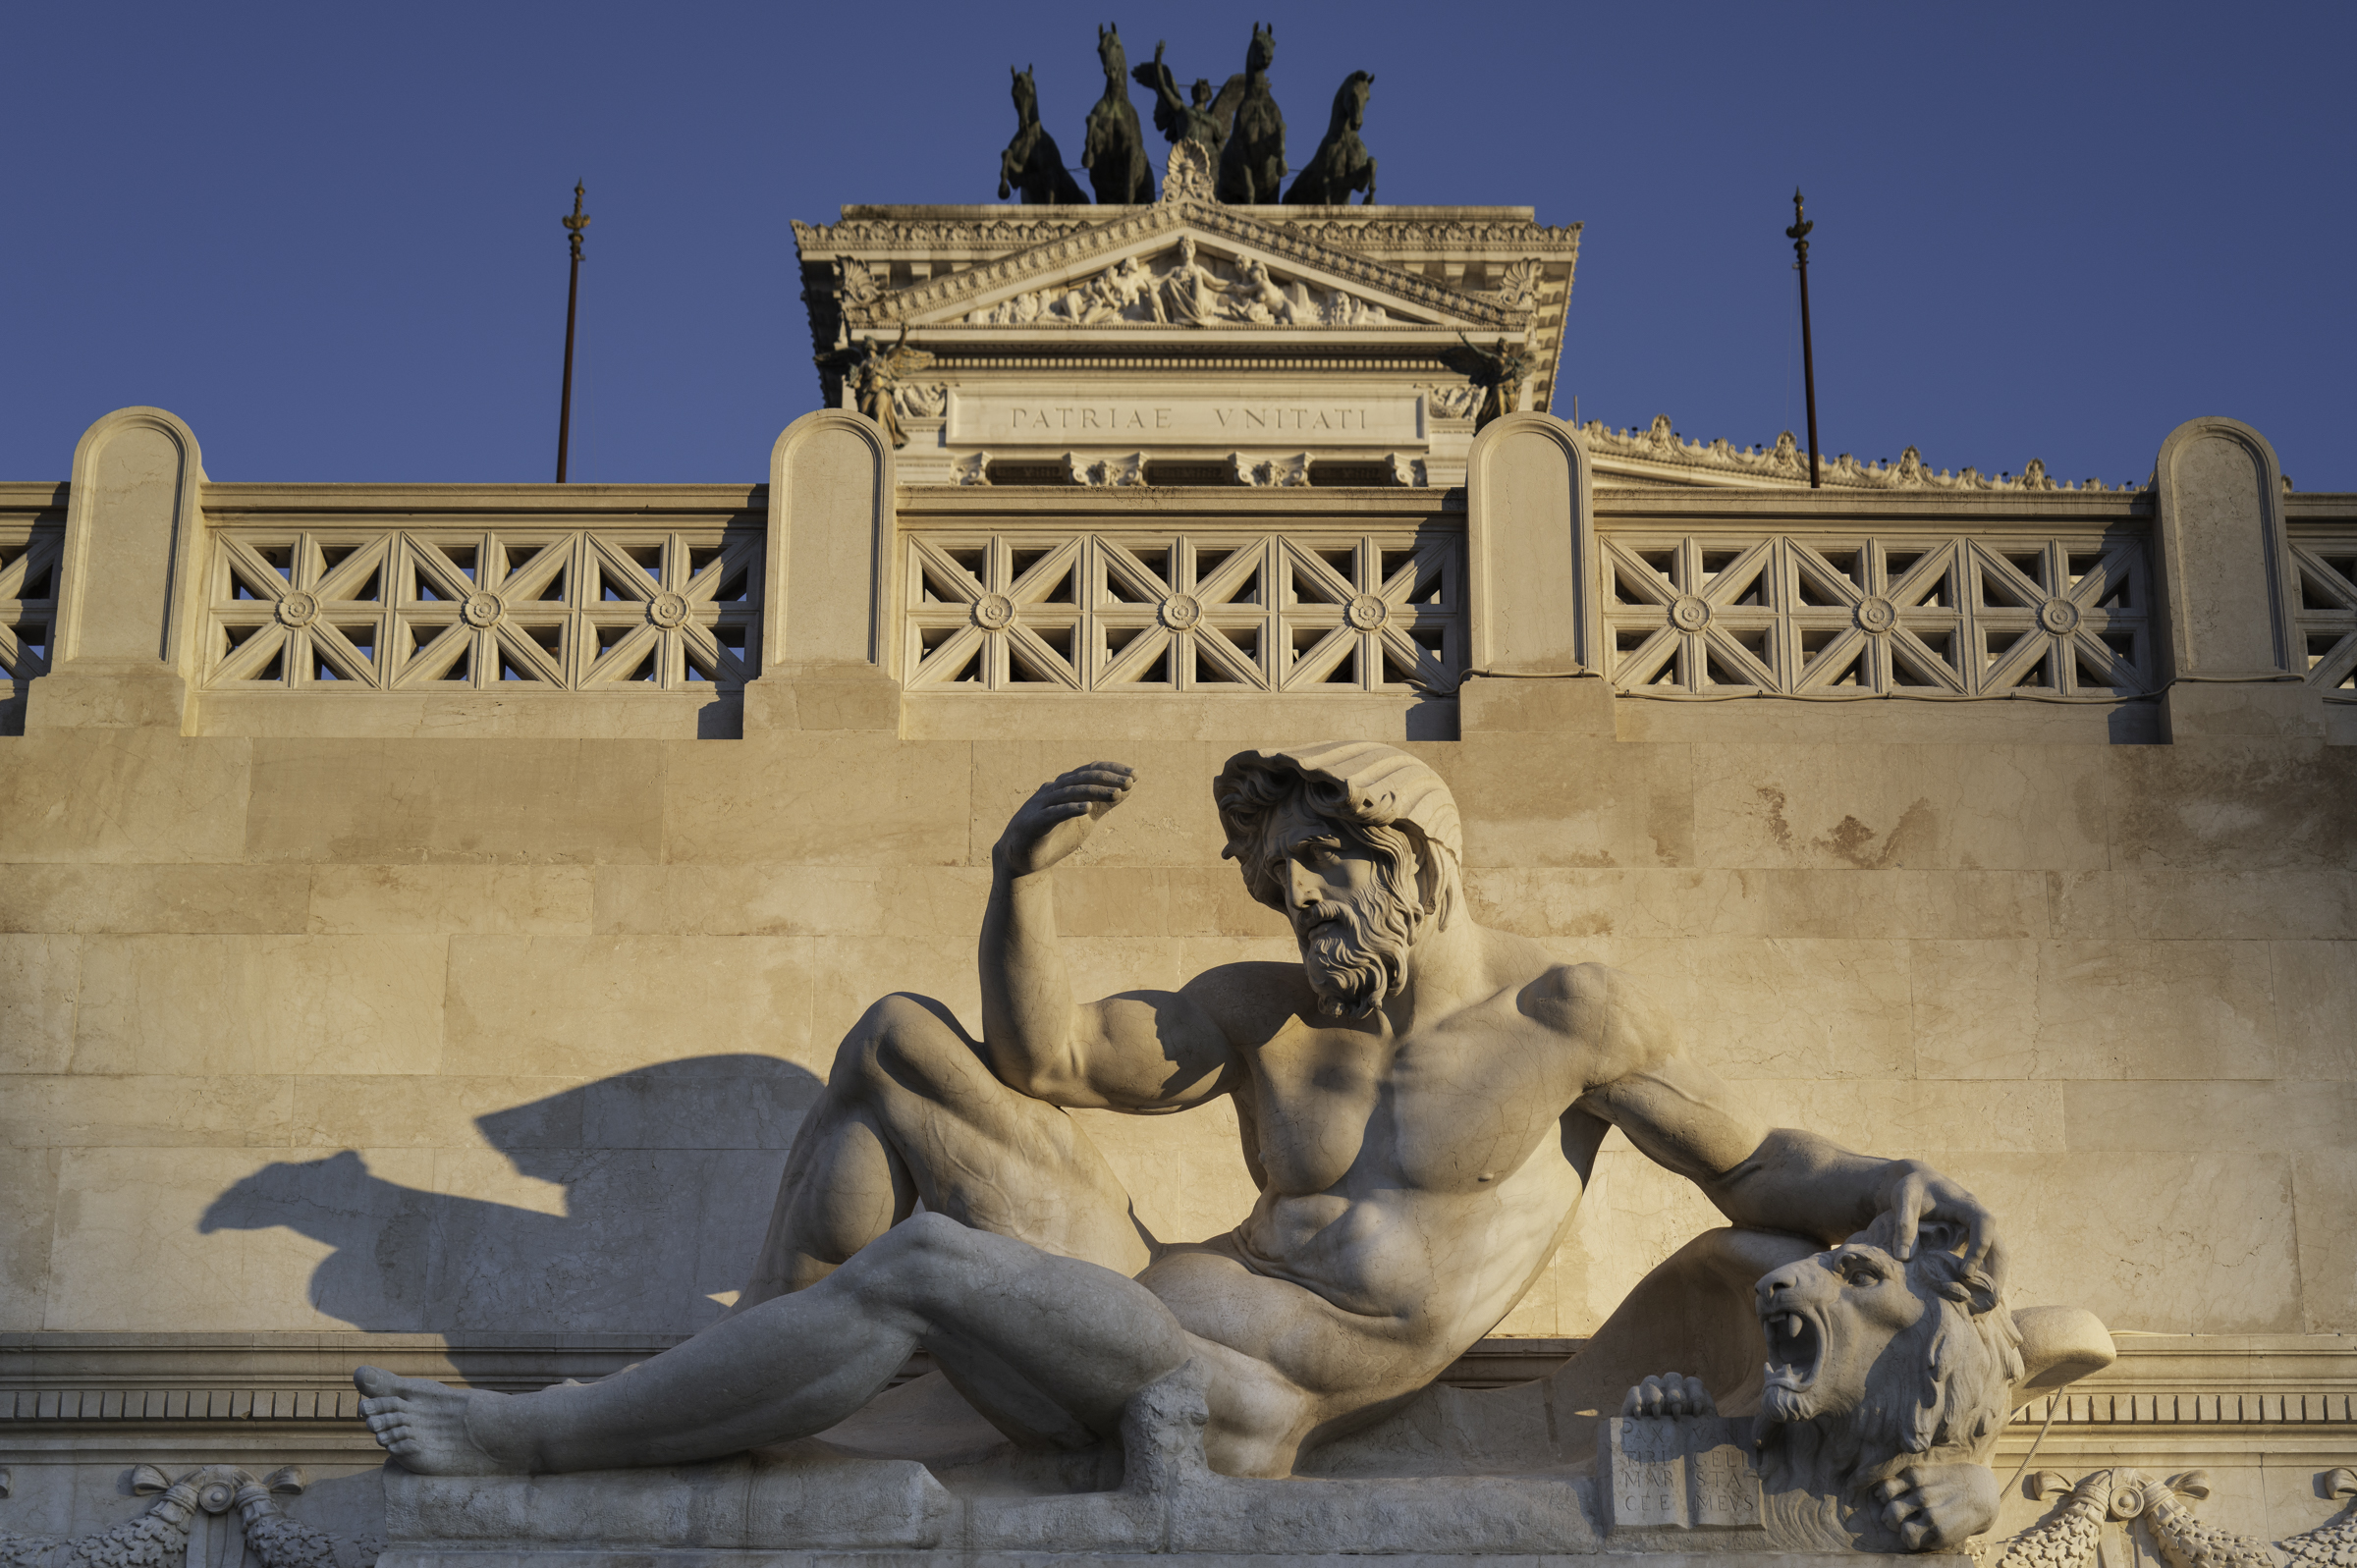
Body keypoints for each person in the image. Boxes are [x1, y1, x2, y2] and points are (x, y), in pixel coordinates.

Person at [358, 743, 2000, 1511]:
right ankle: (752, 1396)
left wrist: (1887, 1181)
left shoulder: (1570, 1018)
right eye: (1277, 887)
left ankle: (549, 1439)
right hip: (1137, 1292)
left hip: (1239, 1397)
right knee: (899, 1042)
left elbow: (1751, 1163)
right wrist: (1018, 883)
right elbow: (1053, 1054)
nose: (1295, 911)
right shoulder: (1269, 1007)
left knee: (925, 1264)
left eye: (1313, 876)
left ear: (1406, 859)